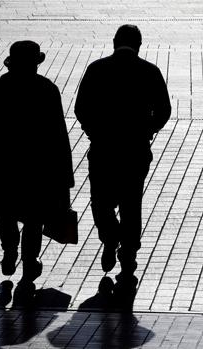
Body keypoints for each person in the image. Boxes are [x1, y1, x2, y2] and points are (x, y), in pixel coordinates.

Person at [0, 40, 74, 288]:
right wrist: (64, 173)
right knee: (34, 217)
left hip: (3, 165)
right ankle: (29, 260)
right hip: (37, 167)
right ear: (35, 63)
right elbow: (58, 134)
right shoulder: (47, 89)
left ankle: (9, 251)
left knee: (8, 211)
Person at [74, 25, 171, 301]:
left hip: (103, 148)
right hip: (135, 150)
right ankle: (128, 254)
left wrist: (93, 130)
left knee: (100, 201)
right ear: (139, 44)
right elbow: (164, 109)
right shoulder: (149, 71)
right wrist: (148, 129)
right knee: (131, 203)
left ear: (115, 41)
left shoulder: (97, 69)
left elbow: (81, 107)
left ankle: (110, 236)